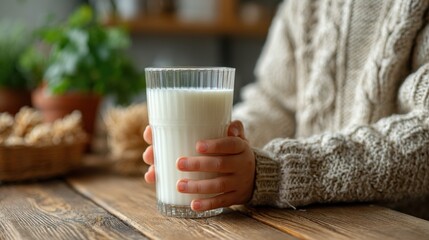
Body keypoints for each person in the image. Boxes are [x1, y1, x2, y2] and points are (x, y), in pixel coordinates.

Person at [143, 0, 429, 219]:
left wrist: (274, 171)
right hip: (303, 219)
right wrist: (221, 151)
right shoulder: (300, 5)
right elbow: (273, 101)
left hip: (396, 225)